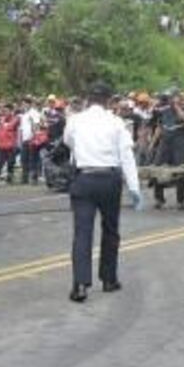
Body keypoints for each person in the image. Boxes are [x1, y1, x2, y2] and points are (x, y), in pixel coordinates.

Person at [63, 82, 143, 302]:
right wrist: (134, 188)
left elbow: (68, 142)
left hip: (84, 177)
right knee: (110, 229)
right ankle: (109, 279)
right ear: (109, 101)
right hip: (109, 179)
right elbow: (126, 155)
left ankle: (80, 284)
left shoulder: (75, 120)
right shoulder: (117, 122)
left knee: (82, 232)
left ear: (88, 99)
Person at [150, 90, 184, 209]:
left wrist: (177, 107)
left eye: (173, 97)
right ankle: (159, 199)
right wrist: (153, 143)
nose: (170, 100)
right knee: (157, 168)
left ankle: (180, 201)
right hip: (165, 140)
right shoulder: (163, 109)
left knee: (181, 171)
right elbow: (159, 126)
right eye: (169, 98)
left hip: (180, 140)